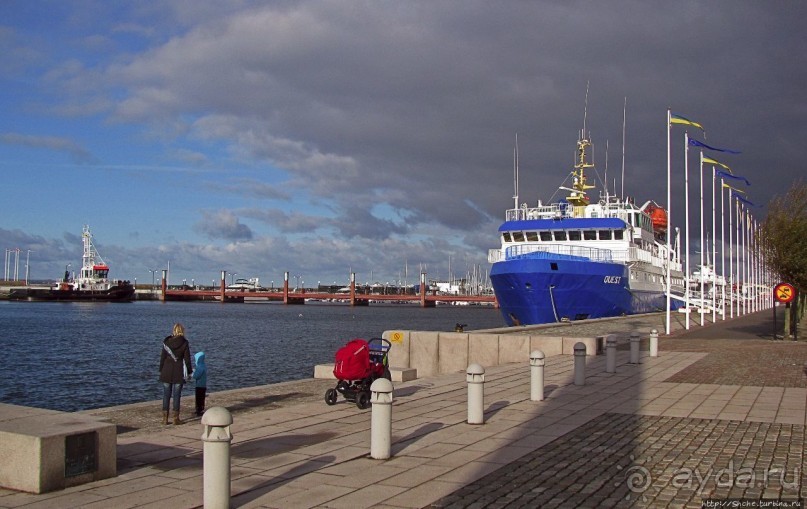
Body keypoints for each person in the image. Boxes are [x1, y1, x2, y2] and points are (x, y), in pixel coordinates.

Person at [159, 323, 192, 425]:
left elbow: (162, 357)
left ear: (173, 330)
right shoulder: (185, 343)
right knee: (177, 395)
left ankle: (165, 419)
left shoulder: (167, 342)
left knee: (166, 394)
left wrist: (161, 370)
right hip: (178, 371)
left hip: (166, 370)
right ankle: (176, 418)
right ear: (182, 331)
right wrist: (189, 372)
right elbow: (187, 360)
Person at [192, 351, 207, 416]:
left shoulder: (200, 367)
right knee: (202, 398)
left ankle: (199, 410)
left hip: (199, 386)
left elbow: (196, 376)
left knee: (198, 398)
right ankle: (201, 409)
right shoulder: (203, 365)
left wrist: (192, 373)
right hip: (203, 385)